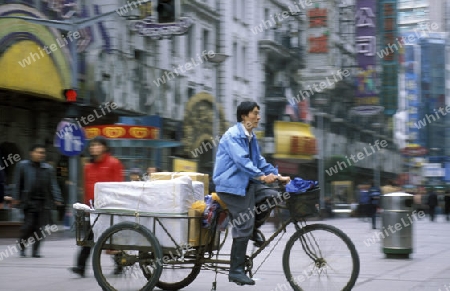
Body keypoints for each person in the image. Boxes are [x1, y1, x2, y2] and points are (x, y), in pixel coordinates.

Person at [213, 101, 291, 286]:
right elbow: (242, 162)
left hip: (246, 183)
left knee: (273, 195)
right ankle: (236, 271)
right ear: (243, 116)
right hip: (231, 187)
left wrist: (278, 176)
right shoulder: (233, 135)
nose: (258, 117)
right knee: (244, 222)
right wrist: (262, 177)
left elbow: (259, 161)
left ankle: (253, 229)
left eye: (258, 113)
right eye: (255, 113)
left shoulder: (250, 137)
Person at [70, 136, 124, 277]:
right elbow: (85, 187)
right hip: (92, 208)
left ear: (104, 147)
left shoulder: (114, 163)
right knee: (88, 238)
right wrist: (85, 207)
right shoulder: (88, 166)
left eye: (97, 145)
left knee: (111, 238)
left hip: (109, 208)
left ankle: (120, 264)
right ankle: (80, 267)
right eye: (92, 145)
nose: (94, 148)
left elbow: (119, 186)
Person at [12, 144, 63, 257]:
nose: (41, 155)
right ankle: (22, 247)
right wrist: (16, 198)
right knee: (27, 226)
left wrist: (57, 198)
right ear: (32, 153)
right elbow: (17, 183)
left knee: (39, 229)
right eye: (38, 152)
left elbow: (53, 185)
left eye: (42, 153)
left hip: (43, 203)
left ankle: (35, 251)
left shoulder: (47, 168)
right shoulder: (23, 166)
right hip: (28, 202)